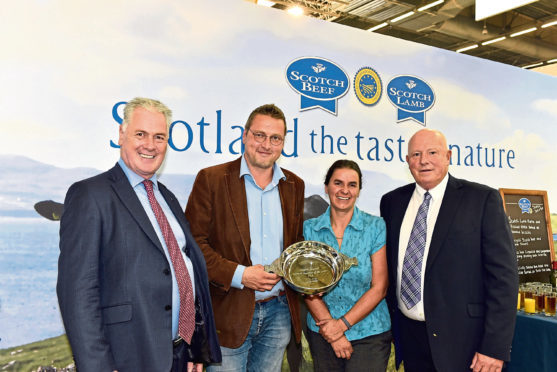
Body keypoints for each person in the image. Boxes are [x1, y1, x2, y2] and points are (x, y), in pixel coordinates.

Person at [57, 97, 221, 372]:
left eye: (159, 137)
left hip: (179, 355)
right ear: (122, 135)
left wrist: (195, 348)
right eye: (141, 134)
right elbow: (77, 292)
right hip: (127, 359)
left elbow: (183, 271)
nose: (150, 145)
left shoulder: (167, 198)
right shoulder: (90, 195)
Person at [379, 128, 518, 372]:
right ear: (407, 161)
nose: (424, 160)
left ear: (448, 156)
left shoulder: (483, 199)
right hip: (411, 337)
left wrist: (493, 347)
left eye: (432, 152)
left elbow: (503, 279)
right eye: (416, 154)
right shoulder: (392, 202)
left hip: (466, 343)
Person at [185, 103, 305, 371]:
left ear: (283, 143)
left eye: (275, 138)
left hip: (279, 313)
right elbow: (193, 246)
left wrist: (308, 276)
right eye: (259, 135)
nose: (266, 144)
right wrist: (241, 275)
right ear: (245, 135)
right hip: (228, 314)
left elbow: (295, 246)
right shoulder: (212, 179)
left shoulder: (294, 185)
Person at [303, 159, 391, 372]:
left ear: (359, 190)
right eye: (338, 183)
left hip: (369, 333)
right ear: (326, 187)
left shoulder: (375, 226)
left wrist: (341, 326)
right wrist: (333, 334)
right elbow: (306, 287)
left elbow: (379, 287)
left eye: (352, 185)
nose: (345, 190)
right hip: (322, 333)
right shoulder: (309, 229)